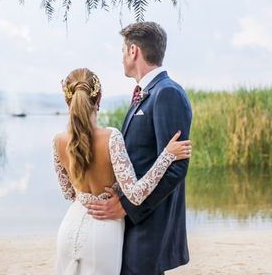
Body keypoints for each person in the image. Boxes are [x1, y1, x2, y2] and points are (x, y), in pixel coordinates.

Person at [53, 67, 192, 275]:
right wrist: (166, 156)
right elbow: (135, 195)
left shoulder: (58, 141)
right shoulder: (111, 137)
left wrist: (86, 194)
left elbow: (68, 193)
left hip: (70, 228)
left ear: (67, 101)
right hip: (103, 232)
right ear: (98, 98)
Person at [85, 22, 193, 274]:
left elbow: (176, 169)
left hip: (150, 225)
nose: (122, 57)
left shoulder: (167, 93)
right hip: (135, 221)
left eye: (123, 50)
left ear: (134, 51)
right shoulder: (145, 93)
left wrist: (126, 207)